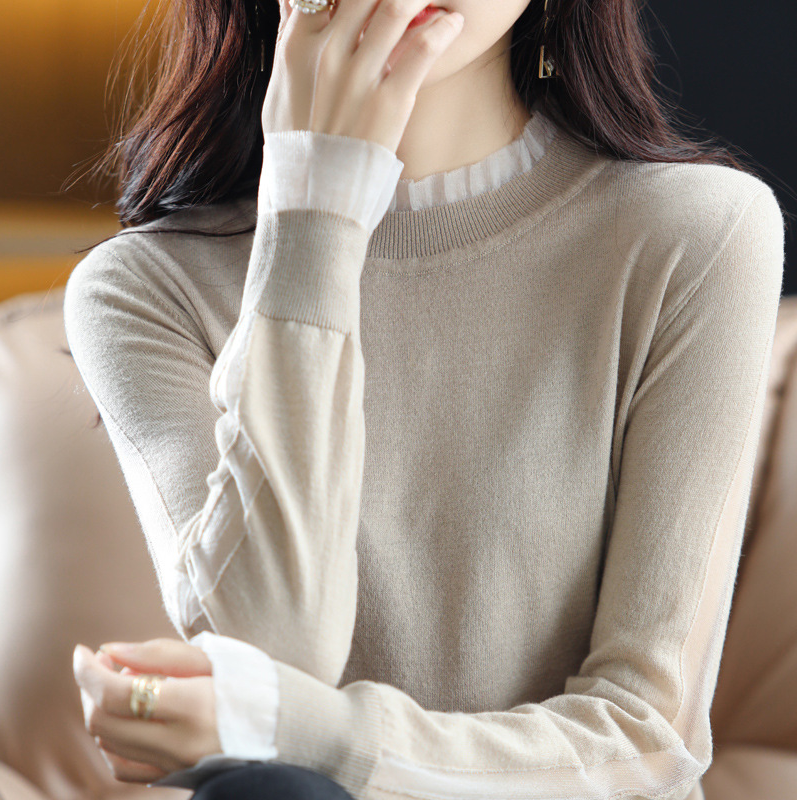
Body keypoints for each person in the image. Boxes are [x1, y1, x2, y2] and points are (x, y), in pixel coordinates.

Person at [66, 0, 785, 798]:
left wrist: (307, 731)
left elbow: (646, 744)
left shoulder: (694, 233)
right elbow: (273, 659)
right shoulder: (144, 290)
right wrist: (314, 213)